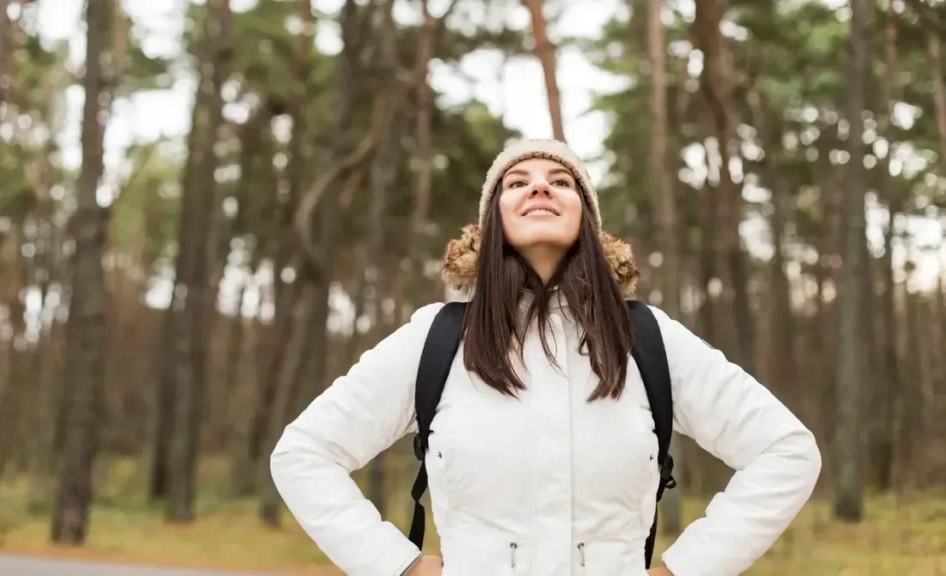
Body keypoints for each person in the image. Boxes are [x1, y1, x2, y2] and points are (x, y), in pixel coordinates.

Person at [270, 138, 822, 576]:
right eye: (518, 182)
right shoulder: (436, 339)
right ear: (491, 221)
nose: (540, 189)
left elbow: (786, 452)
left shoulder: (649, 339)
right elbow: (304, 453)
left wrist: (686, 568)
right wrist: (399, 565)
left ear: (586, 218)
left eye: (561, 181)